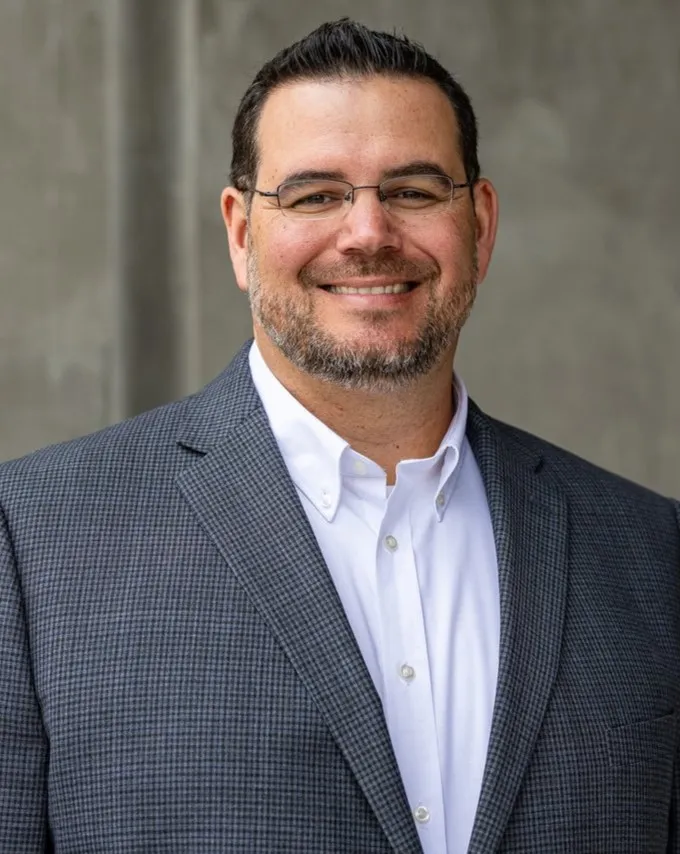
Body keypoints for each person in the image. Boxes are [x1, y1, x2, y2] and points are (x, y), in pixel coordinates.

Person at [1, 18, 678, 854]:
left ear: (482, 225)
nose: (366, 233)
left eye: (415, 191)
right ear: (242, 233)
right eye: (316, 194)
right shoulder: (31, 541)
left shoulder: (654, 554)